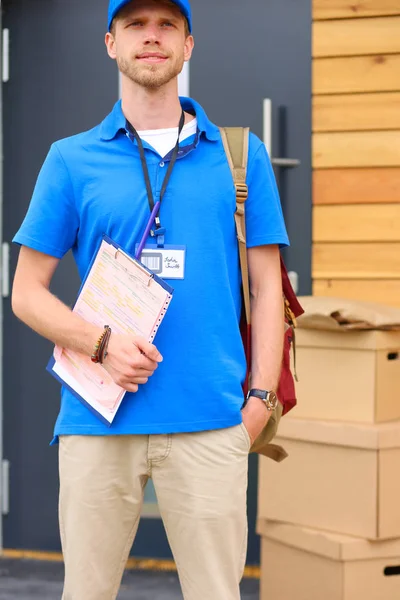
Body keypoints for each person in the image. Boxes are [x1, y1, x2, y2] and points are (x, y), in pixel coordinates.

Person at [11, 0, 289, 598]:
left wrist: (260, 401)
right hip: (96, 420)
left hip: (213, 423)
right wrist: (100, 342)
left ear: (190, 45)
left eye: (168, 25)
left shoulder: (241, 156)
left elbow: (269, 288)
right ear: (110, 43)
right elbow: (25, 294)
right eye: (136, 25)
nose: (152, 37)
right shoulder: (71, 159)